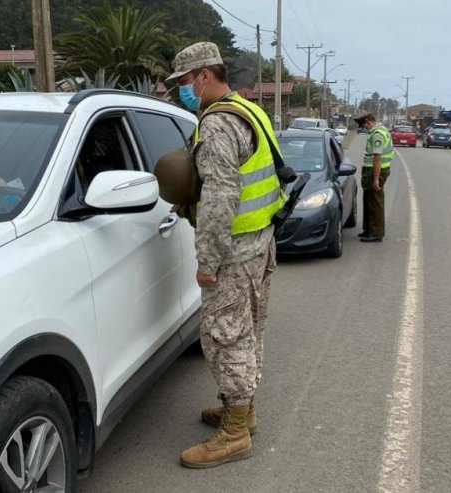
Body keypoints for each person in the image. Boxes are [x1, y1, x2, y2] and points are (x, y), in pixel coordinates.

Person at [166, 41, 285, 469]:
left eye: (183, 82)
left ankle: (234, 433)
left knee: (224, 336)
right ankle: (244, 411)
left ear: (203, 75)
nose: (181, 89)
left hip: (233, 251)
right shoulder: (249, 110)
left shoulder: (217, 126)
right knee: (248, 330)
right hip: (260, 241)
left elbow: (218, 199)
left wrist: (207, 263)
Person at [354, 112, 393, 242]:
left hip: (376, 171)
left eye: (364, 125)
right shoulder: (379, 130)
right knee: (368, 200)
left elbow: (377, 158)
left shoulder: (377, 134)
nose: (365, 128)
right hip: (372, 171)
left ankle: (376, 233)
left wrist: (376, 179)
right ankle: (369, 229)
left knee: (375, 202)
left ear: (368, 122)